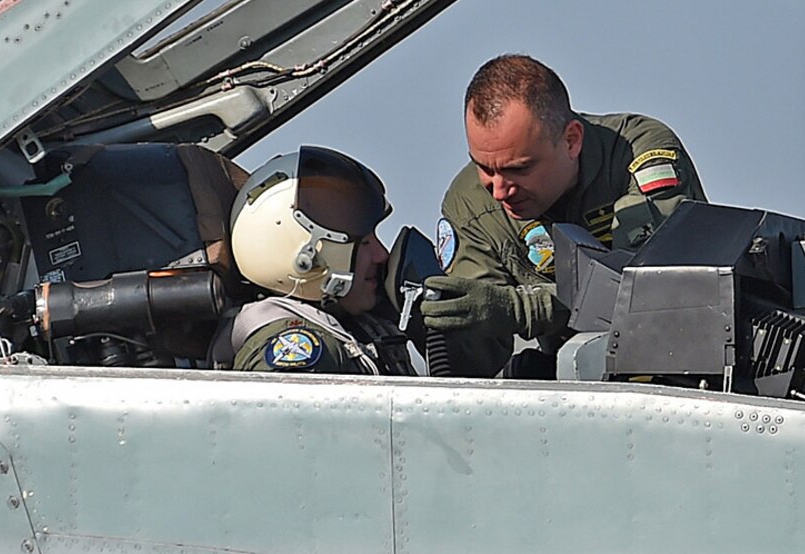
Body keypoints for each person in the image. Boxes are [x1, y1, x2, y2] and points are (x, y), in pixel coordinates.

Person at [422, 54, 705, 376]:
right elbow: (477, 354)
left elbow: (647, 290)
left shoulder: (634, 153)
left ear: (571, 140)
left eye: (519, 169)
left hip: (687, 369)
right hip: (579, 388)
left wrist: (522, 309)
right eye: (484, 167)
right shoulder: (472, 205)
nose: (499, 190)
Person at [222, 146, 415, 376]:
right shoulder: (299, 349)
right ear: (305, 260)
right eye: (363, 243)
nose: (381, 254)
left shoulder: (353, 328)